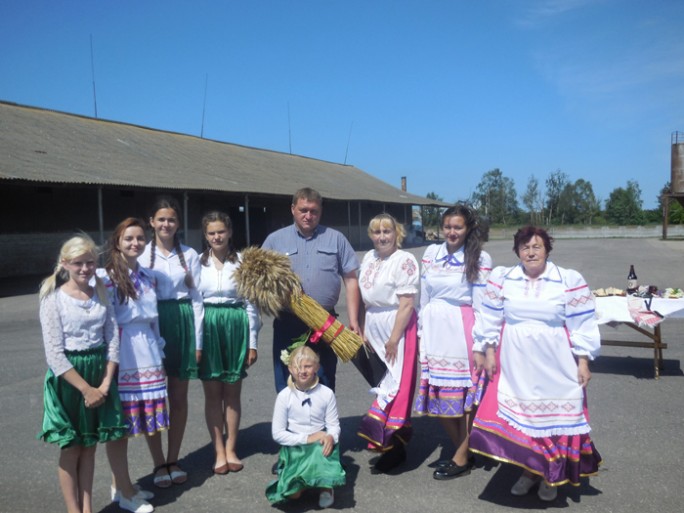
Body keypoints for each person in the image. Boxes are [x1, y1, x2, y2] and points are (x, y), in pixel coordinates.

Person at [470, 226, 602, 502]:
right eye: (525, 247)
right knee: (524, 421)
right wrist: (489, 351)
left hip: (555, 360)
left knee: (553, 419)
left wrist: (583, 361)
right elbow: (490, 317)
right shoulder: (504, 277)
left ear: (547, 250)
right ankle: (530, 471)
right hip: (516, 360)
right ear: (517, 251)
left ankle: (549, 476)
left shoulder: (567, 279)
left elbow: (583, 323)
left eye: (536, 247)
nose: (530, 252)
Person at [38, 234, 128, 513]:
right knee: (72, 447)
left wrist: (105, 382)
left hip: (99, 371)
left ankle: (87, 508)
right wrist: (86, 389)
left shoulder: (101, 292)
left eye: (90, 262)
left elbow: (112, 337)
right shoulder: (53, 299)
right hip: (70, 378)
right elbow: (54, 353)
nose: (85, 269)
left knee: (90, 446)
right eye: (78, 263)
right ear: (65, 264)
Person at [414, 205, 492, 480]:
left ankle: (460, 456)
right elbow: (424, 295)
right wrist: (422, 329)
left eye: (457, 227)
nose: (451, 232)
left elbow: (482, 305)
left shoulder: (480, 257)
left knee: (464, 399)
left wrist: (480, 344)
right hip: (435, 330)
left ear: (468, 228)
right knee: (442, 397)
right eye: (447, 227)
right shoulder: (431, 254)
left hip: (462, 329)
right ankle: (464, 450)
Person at [99, 218, 169, 513]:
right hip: (123, 352)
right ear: (117, 241)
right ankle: (125, 491)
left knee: (139, 421)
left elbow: (153, 320)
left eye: (140, 238)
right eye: (129, 238)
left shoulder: (149, 275)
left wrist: (160, 353)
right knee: (122, 426)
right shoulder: (105, 277)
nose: (135, 243)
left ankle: (121, 486)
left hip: (148, 352)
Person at [261, 187, 361, 393]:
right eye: (303, 210)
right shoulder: (275, 240)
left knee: (323, 379)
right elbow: (261, 281)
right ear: (292, 209)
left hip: (324, 322)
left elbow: (351, 280)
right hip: (288, 322)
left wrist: (354, 321)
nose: (308, 216)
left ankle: (323, 425)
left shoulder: (336, 239)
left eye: (313, 211)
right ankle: (291, 425)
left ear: (320, 211)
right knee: (287, 378)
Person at [138, 196, 204, 486]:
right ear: (151, 222)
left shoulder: (190, 255)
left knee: (178, 397)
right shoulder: (139, 253)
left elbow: (197, 299)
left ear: (178, 224)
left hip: (180, 321)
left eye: (172, 220)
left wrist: (198, 342)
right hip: (150, 323)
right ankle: (157, 463)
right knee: (152, 397)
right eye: (161, 219)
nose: (166, 224)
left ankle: (173, 458)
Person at [197, 211, 262, 475]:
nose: (216, 237)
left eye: (221, 231)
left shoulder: (244, 262)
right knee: (212, 394)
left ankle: (232, 448)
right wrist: (197, 343)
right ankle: (219, 451)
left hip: (236, 326)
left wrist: (253, 342)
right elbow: (194, 304)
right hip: (209, 325)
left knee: (232, 393)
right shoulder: (197, 263)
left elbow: (251, 303)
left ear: (230, 232)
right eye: (211, 233)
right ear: (205, 235)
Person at [357, 213, 419, 474]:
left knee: (393, 386)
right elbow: (364, 298)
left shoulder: (404, 260)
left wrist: (394, 338)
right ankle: (394, 444)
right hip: (373, 323)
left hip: (396, 325)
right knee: (378, 382)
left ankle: (392, 445)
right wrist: (360, 326)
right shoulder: (369, 258)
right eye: (377, 232)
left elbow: (407, 303)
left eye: (387, 232)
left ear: (397, 234)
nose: (382, 237)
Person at [266, 345, 346, 508]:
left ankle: (325, 487)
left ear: (316, 367)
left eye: (307, 366)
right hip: (296, 446)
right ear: (290, 368)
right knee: (293, 494)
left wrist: (330, 436)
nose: (302, 371)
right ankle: (303, 481)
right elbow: (278, 433)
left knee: (320, 449)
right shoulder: (284, 396)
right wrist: (307, 438)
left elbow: (333, 425)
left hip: (319, 444)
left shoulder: (326, 393)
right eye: (297, 367)